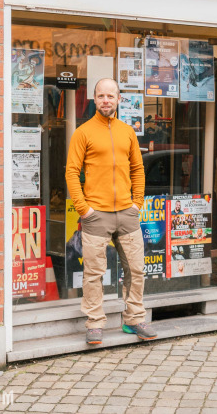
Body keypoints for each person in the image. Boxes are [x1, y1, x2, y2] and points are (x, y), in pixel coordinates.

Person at [66, 77, 157, 346]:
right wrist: (84, 209)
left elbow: (138, 169)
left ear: (119, 99)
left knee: (136, 269)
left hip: (127, 213)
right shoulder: (83, 132)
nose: (106, 100)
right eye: (101, 96)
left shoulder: (127, 131)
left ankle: (134, 319)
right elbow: (72, 172)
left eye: (111, 96)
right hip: (96, 215)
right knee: (94, 273)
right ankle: (94, 323)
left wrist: (137, 203)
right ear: (95, 99)